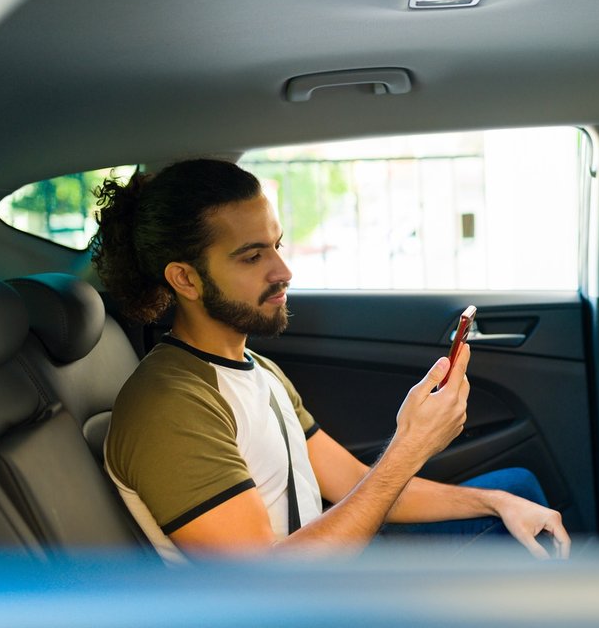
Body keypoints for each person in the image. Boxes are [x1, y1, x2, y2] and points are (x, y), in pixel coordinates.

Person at [91, 158, 569, 564]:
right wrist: (410, 445)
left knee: (516, 493)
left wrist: (494, 501)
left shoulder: (255, 369)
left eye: (276, 245)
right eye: (252, 257)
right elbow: (265, 589)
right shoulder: (171, 406)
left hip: (331, 562)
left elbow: (354, 483)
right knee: (521, 541)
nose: (283, 271)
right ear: (186, 280)